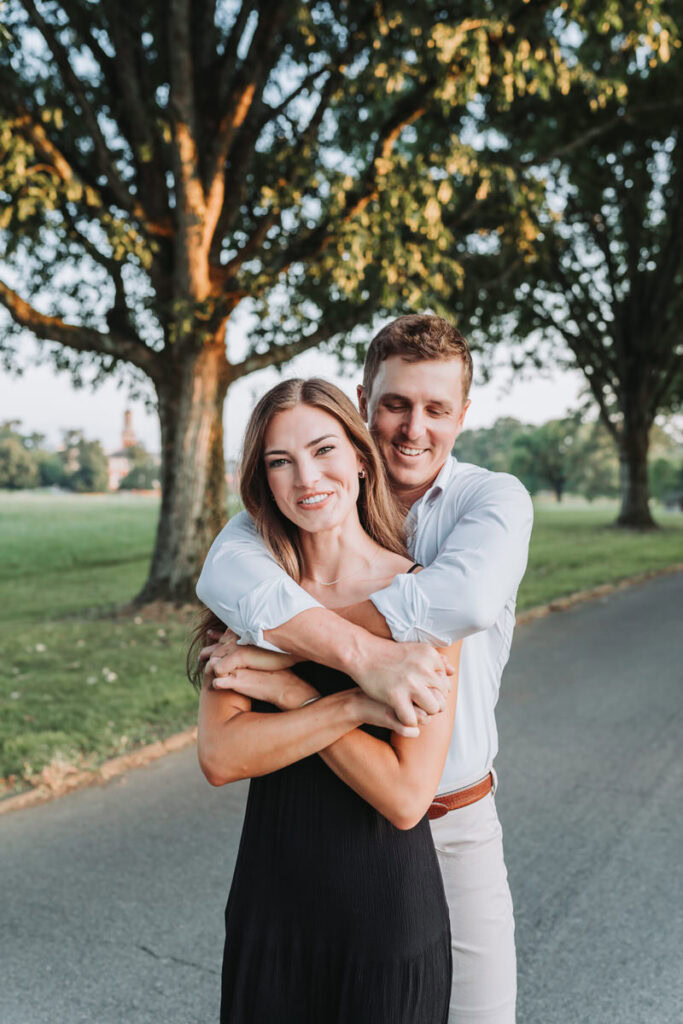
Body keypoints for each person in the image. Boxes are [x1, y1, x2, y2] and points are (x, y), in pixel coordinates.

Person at [198, 314, 534, 1024]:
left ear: (461, 416)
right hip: (308, 842)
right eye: (394, 404)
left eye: (436, 409)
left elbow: (462, 599)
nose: (413, 428)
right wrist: (354, 680)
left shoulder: (487, 503)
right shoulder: (278, 524)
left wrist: (285, 662)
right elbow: (224, 574)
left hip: (452, 815)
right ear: (362, 406)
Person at [191, 377, 460, 1024]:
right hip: (271, 909)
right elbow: (222, 756)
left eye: (322, 450)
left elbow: (403, 797)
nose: (305, 477)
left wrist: (287, 690)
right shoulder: (248, 599)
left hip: (387, 919)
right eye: (279, 462)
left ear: (362, 459)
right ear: (262, 481)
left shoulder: (422, 598)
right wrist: (346, 706)